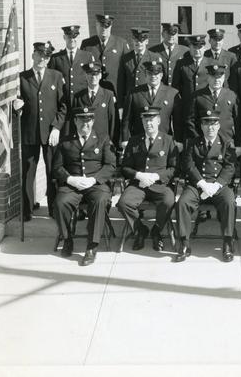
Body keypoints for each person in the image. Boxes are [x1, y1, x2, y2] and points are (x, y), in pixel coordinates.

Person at [52, 107, 116, 265]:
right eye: (81, 120)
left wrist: (94, 179)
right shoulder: (66, 141)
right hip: (73, 185)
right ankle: (67, 239)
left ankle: (92, 246)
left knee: (100, 200)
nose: (84, 124)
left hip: (95, 185)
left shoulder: (102, 139)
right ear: (75, 121)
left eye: (88, 120)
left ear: (93, 121)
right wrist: (70, 179)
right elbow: (56, 168)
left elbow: (111, 165)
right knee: (60, 203)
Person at [175, 111, 237, 262]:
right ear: (201, 126)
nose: (210, 128)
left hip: (218, 185)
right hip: (198, 184)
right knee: (182, 203)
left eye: (214, 124)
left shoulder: (227, 143)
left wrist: (216, 185)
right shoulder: (193, 143)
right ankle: (184, 243)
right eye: (207, 124)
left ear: (219, 126)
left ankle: (228, 242)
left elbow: (230, 167)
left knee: (230, 201)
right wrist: (202, 183)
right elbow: (189, 165)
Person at [15, 42, 67, 220]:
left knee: (53, 171)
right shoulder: (22, 77)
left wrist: (57, 128)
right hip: (30, 132)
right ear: (32, 55)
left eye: (45, 57)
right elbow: (16, 103)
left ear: (48, 59)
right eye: (38, 55)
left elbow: (63, 106)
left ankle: (53, 209)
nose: (41, 59)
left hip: (50, 133)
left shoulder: (56, 76)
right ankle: (27, 210)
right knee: (28, 171)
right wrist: (16, 107)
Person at [117, 106, 178, 252]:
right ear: (142, 122)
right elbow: (124, 167)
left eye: (152, 120)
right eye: (146, 120)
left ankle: (157, 230)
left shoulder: (168, 140)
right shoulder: (134, 141)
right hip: (138, 184)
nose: (148, 124)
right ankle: (140, 229)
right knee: (123, 203)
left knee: (169, 201)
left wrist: (157, 176)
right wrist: (139, 175)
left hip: (160, 185)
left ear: (158, 121)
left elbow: (174, 168)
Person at [120, 60, 183, 149]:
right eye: (150, 74)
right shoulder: (134, 93)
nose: (153, 76)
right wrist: (125, 139)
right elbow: (127, 120)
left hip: (164, 141)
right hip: (139, 141)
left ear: (161, 75)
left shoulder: (172, 93)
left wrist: (179, 140)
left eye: (156, 74)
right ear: (145, 75)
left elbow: (178, 122)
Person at [186, 64, 238, 146]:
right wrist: (199, 140)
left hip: (227, 143)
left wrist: (238, 143)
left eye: (219, 77)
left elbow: (237, 121)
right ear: (208, 77)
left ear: (224, 77)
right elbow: (190, 121)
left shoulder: (231, 95)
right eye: (213, 77)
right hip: (204, 144)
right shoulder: (197, 96)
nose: (216, 80)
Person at [80, 14, 129, 97]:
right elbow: (82, 70)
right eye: (101, 26)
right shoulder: (87, 44)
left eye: (107, 27)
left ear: (111, 27)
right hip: (94, 93)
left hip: (116, 92)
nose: (104, 29)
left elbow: (127, 71)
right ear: (96, 25)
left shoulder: (121, 43)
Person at [48, 25, 95, 108]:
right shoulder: (56, 58)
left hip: (81, 101)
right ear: (64, 37)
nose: (72, 40)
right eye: (69, 37)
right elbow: (51, 80)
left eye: (74, 37)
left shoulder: (87, 56)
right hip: (63, 102)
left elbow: (92, 78)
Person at [72, 62, 118, 144]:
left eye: (96, 74)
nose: (93, 77)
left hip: (103, 141)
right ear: (86, 76)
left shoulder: (108, 94)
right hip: (84, 141)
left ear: (100, 76)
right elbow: (74, 121)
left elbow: (112, 119)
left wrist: (112, 140)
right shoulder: (78, 96)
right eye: (90, 74)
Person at [117, 28, 155, 110]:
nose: (139, 43)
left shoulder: (154, 57)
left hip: (146, 100)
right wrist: (120, 105)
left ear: (147, 41)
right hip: (129, 101)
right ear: (132, 41)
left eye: (142, 41)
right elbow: (121, 83)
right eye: (136, 40)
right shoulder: (125, 58)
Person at [172, 34, 211, 104]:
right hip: (187, 105)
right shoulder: (181, 64)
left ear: (204, 48)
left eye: (200, 47)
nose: (197, 50)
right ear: (189, 47)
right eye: (194, 47)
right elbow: (175, 86)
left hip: (206, 105)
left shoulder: (211, 63)